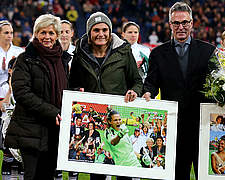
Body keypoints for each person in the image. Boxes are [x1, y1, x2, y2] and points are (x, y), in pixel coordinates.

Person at [142, 2, 215, 179]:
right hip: (175, 128)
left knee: (204, 175)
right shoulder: (158, 53)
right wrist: (147, 93)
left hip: (202, 126)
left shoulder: (209, 51)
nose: (181, 27)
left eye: (185, 22)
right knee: (177, 175)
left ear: (192, 23)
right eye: (176, 23)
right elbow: (151, 82)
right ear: (170, 24)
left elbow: (217, 86)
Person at [68, 11, 142, 180]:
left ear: (110, 32)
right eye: (96, 30)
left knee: (123, 171)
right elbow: (73, 84)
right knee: (98, 170)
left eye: (104, 29)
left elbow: (137, 81)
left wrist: (134, 91)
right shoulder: (80, 53)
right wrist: (78, 91)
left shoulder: (123, 51)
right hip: (97, 120)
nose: (101, 34)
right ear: (89, 33)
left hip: (117, 117)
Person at [4, 14, 70, 179]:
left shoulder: (62, 59)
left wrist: (76, 91)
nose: (47, 37)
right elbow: (22, 93)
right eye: (42, 32)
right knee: (32, 175)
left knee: (48, 175)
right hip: (30, 128)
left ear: (57, 35)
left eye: (51, 33)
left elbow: (63, 89)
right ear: (36, 34)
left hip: (54, 129)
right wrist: (51, 111)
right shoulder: (25, 59)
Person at [0, 20, 24, 100]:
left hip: (16, 95)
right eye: (6, 33)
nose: (10, 35)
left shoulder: (20, 52)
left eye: (11, 33)